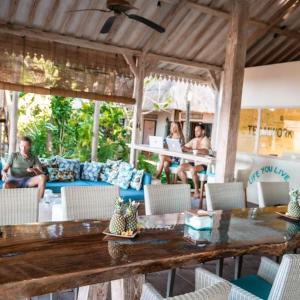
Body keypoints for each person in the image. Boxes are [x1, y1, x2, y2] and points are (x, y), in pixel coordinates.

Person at [177, 123, 210, 198]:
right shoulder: (194, 140)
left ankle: (196, 191)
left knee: (193, 169)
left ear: (203, 131)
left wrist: (190, 150)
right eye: (195, 131)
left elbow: (205, 151)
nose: (196, 132)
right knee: (179, 168)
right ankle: (186, 189)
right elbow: (185, 147)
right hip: (195, 162)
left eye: (198, 131)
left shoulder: (206, 140)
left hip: (204, 164)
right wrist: (183, 148)